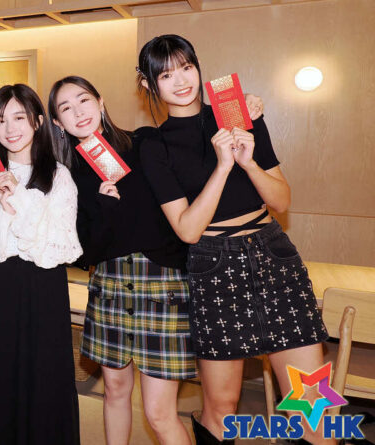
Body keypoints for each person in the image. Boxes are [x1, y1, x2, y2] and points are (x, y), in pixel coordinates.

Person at [48, 76, 264, 445]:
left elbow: (194, 144)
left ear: (100, 101)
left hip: (162, 284)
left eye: (83, 100)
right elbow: (84, 252)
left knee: (159, 413)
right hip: (110, 285)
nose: (78, 112)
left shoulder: (144, 142)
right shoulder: (66, 175)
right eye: (65, 108)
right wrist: (104, 207)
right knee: (114, 391)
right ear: (57, 122)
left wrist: (237, 110)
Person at [137, 34, 330, 445]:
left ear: (197, 67)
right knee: (222, 406)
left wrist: (249, 163)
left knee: (311, 401)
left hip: (272, 253)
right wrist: (223, 167)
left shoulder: (237, 114)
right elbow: (187, 229)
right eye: (166, 75)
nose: (181, 81)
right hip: (213, 263)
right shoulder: (153, 145)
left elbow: (281, 199)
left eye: (186, 67)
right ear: (148, 84)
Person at [0, 83, 82, 445]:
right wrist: (2, 208)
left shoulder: (58, 176)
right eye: (0, 120)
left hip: (43, 293)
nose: (10, 128)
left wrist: (18, 199)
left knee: (45, 383)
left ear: (38, 121)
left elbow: (59, 248)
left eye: (19, 118)